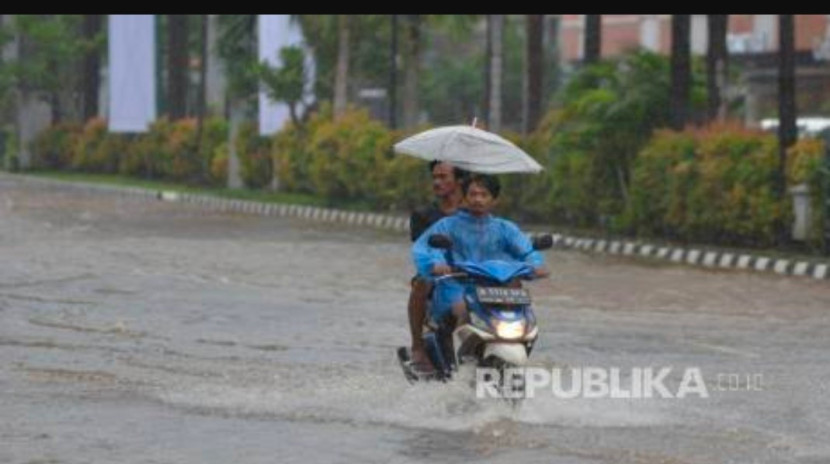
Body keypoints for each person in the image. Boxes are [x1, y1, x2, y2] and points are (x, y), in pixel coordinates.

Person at [412, 174, 549, 326]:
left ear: (495, 200)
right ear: (464, 198)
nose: (478, 199)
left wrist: (536, 264)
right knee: (461, 310)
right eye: (473, 194)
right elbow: (428, 247)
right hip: (457, 287)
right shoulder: (447, 225)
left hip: (498, 288)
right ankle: (444, 346)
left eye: (484, 195)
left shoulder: (505, 228)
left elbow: (527, 250)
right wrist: (437, 263)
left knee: (525, 320)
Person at [407, 161, 467, 373]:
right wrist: (436, 264)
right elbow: (422, 249)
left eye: (443, 177)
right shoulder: (423, 215)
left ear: (460, 180)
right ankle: (417, 346)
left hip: (470, 274)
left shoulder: (474, 212)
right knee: (422, 283)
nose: (437, 182)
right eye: (435, 177)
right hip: (438, 275)